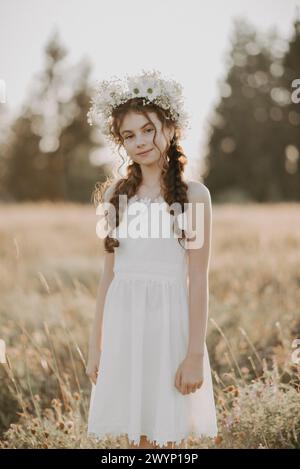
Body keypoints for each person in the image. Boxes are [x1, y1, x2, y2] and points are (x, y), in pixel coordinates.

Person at [85, 69, 218, 449]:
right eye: (129, 135)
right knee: (135, 437)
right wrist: (97, 346)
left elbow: (198, 279)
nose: (140, 142)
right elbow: (107, 277)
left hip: (168, 328)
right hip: (124, 325)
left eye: (148, 130)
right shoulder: (115, 194)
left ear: (170, 127)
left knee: (164, 436)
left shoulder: (195, 196)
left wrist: (193, 354)